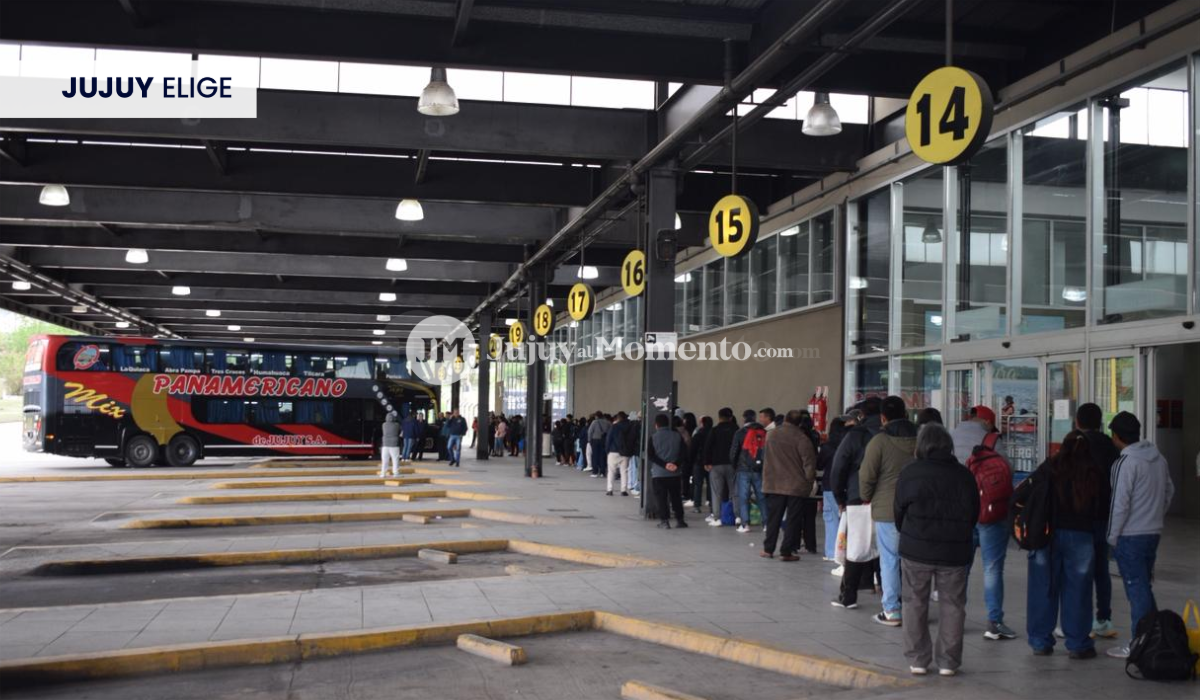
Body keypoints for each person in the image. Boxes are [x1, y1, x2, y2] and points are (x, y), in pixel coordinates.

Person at [894, 423, 980, 677]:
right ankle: (948, 662)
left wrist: (909, 533)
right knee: (953, 605)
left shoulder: (910, 472)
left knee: (914, 603)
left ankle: (918, 659)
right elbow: (973, 514)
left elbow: (898, 511)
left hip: (916, 549)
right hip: (954, 552)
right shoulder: (964, 475)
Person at [1026, 430, 1108, 660]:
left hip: (1047, 534)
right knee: (1079, 590)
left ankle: (1040, 641)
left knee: (1043, 587)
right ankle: (1078, 643)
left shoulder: (1050, 467)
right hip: (1081, 536)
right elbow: (1102, 508)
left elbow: (1030, 493)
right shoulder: (1093, 471)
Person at [1105, 411, 1175, 659]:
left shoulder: (1125, 463)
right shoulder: (1158, 458)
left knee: (1136, 590)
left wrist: (1112, 537)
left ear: (1116, 436)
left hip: (1130, 535)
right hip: (1152, 532)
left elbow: (1119, 503)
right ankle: (1154, 637)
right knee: (1143, 586)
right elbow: (1169, 491)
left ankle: (1139, 643)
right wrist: (1155, 516)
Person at [952, 404, 1017, 641]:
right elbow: (1007, 471)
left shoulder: (950, 437)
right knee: (992, 568)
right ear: (987, 423)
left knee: (961, 567)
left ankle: (954, 619)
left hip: (961, 514)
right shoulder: (991, 440)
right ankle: (994, 622)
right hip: (990, 512)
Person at [858, 395, 917, 628]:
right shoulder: (921, 439)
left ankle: (892, 610)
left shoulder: (879, 442)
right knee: (915, 561)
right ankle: (916, 609)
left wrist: (866, 496)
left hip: (887, 509)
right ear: (906, 414)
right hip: (917, 509)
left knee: (890, 559)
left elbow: (867, 475)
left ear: (883, 418)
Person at [1073, 403, 1122, 640]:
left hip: (1080, 517)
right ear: (1100, 422)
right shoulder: (1111, 446)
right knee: (1101, 570)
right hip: (1105, 515)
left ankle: (1078, 621)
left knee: (1079, 570)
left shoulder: (1076, 444)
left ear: (1077, 422)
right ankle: (1103, 619)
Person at [830, 396, 883, 604]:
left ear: (862, 415)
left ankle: (849, 595)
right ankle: (888, 594)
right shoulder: (894, 434)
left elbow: (839, 467)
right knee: (885, 548)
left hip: (857, 496)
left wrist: (839, 497)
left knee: (856, 546)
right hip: (887, 498)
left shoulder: (856, 435)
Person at [760, 410, 817, 561]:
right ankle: (786, 551)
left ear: (785, 419)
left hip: (774, 483)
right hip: (796, 486)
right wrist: (809, 482)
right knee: (793, 519)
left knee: (773, 518)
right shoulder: (802, 438)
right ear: (799, 423)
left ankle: (768, 549)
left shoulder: (771, 435)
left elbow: (766, 457)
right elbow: (809, 463)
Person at [818, 416, 850, 563]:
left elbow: (819, 464)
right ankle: (847, 552)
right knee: (847, 521)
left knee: (831, 519)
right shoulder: (850, 444)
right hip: (848, 486)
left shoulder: (828, 446)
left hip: (830, 486)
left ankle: (832, 552)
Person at [731, 409, 768, 534]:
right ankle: (766, 524)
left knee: (743, 497)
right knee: (761, 497)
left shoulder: (740, 433)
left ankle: (745, 524)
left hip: (743, 469)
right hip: (759, 469)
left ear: (744, 418)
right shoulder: (763, 432)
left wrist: (735, 466)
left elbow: (734, 452)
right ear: (755, 418)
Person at [648, 413, 687, 529]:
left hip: (659, 474)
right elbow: (684, 453)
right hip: (675, 473)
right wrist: (676, 464)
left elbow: (651, 455)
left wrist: (665, 465)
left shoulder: (653, 437)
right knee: (676, 497)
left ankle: (664, 521)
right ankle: (680, 520)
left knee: (661, 498)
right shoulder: (677, 436)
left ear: (656, 425)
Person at [703, 407, 738, 527]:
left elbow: (708, 447)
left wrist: (707, 462)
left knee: (716, 492)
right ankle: (737, 516)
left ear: (719, 417)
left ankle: (717, 518)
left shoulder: (714, 430)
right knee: (734, 492)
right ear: (731, 417)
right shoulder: (736, 430)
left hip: (716, 465)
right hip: (732, 465)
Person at [689, 416, 713, 513]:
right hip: (711, 462)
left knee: (698, 484)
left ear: (702, 423)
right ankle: (711, 504)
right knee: (711, 484)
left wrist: (691, 461)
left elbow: (692, 449)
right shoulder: (713, 433)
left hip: (698, 462)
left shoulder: (698, 434)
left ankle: (697, 506)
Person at [605, 411, 631, 496]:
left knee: (611, 471)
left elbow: (608, 439)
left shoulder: (614, 426)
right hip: (625, 453)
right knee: (624, 472)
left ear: (618, 418)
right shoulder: (630, 426)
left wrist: (607, 450)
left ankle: (610, 490)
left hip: (613, 452)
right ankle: (623, 490)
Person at [587, 411, 611, 478]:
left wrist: (589, 440)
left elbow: (590, 431)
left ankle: (595, 472)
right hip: (604, 441)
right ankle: (602, 472)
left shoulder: (594, 422)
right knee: (602, 456)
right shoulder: (608, 422)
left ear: (596, 416)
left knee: (595, 456)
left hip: (595, 440)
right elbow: (610, 431)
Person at [624, 412, 643, 496]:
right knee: (636, 468)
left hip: (635, 450)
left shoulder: (634, 426)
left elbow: (631, 439)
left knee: (634, 468)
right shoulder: (640, 426)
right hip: (638, 450)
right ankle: (634, 485)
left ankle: (633, 485)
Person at [380, 413, 402, 477]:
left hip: (385, 444)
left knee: (385, 460)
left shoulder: (384, 425)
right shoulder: (397, 425)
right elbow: (399, 431)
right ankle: (396, 473)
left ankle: (383, 473)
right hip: (394, 444)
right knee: (395, 459)